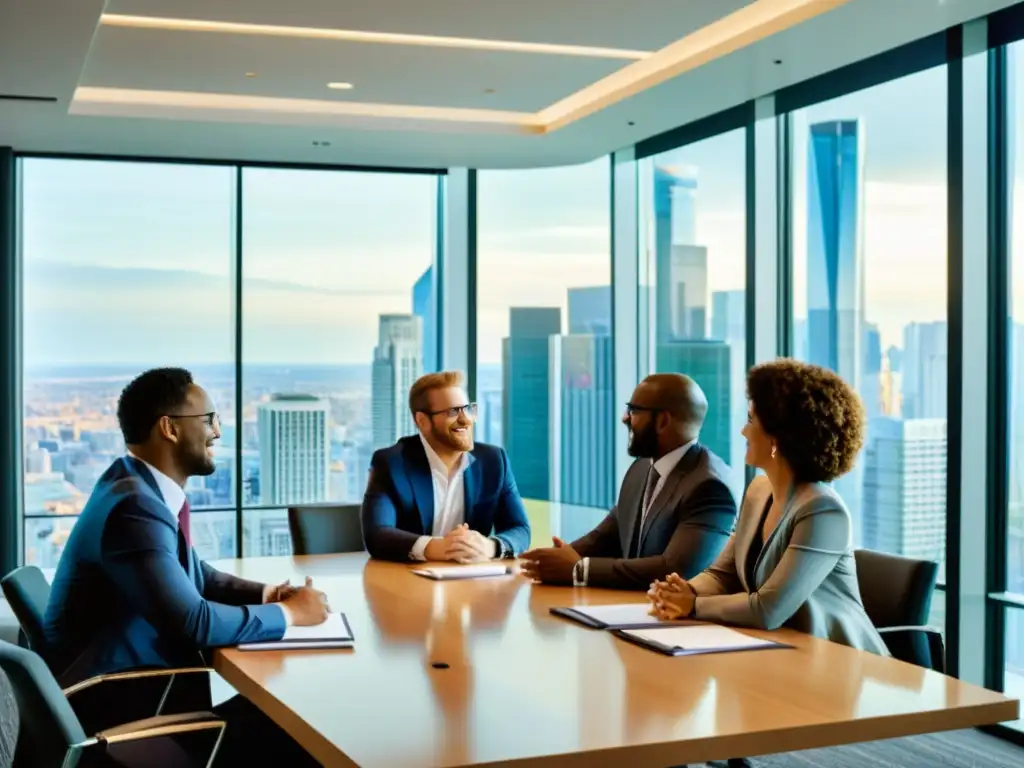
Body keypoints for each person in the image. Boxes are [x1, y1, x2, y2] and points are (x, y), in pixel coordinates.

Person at [43, 367, 327, 764]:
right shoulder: (134, 510)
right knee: (306, 730)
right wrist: (289, 614)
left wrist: (267, 594)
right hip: (127, 711)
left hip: (138, 689)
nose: (217, 431)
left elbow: (197, 573)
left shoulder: (133, 485)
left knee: (290, 711)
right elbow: (195, 623)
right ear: (169, 428)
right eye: (209, 419)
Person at [648, 359, 889, 655]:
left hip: (837, 660)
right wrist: (684, 592)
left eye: (751, 420)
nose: (743, 432)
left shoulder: (823, 511)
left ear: (777, 435)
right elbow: (723, 575)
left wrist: (694, 605)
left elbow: (768, 608)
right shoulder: (759, 491)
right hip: (780, 649)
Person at [519, 374, 736, 589]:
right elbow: (607, 535)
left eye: (633, 411)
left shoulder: (710, 487)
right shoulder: (642, 468)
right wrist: (555, 558)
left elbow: (674, 570)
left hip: (675, 619)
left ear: (663, 421)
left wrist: (580, 570)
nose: (625, 418)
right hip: (631, 608)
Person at [361, 371, 530, 562]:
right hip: (410, 579)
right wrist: (438, 547)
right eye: (452, 412)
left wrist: (490, 547)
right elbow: (377, 534)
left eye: (468, 409)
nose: (466, 419)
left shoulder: (493, 461)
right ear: (423, 421)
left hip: (474, 579)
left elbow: (520, 529)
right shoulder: (392, 462)